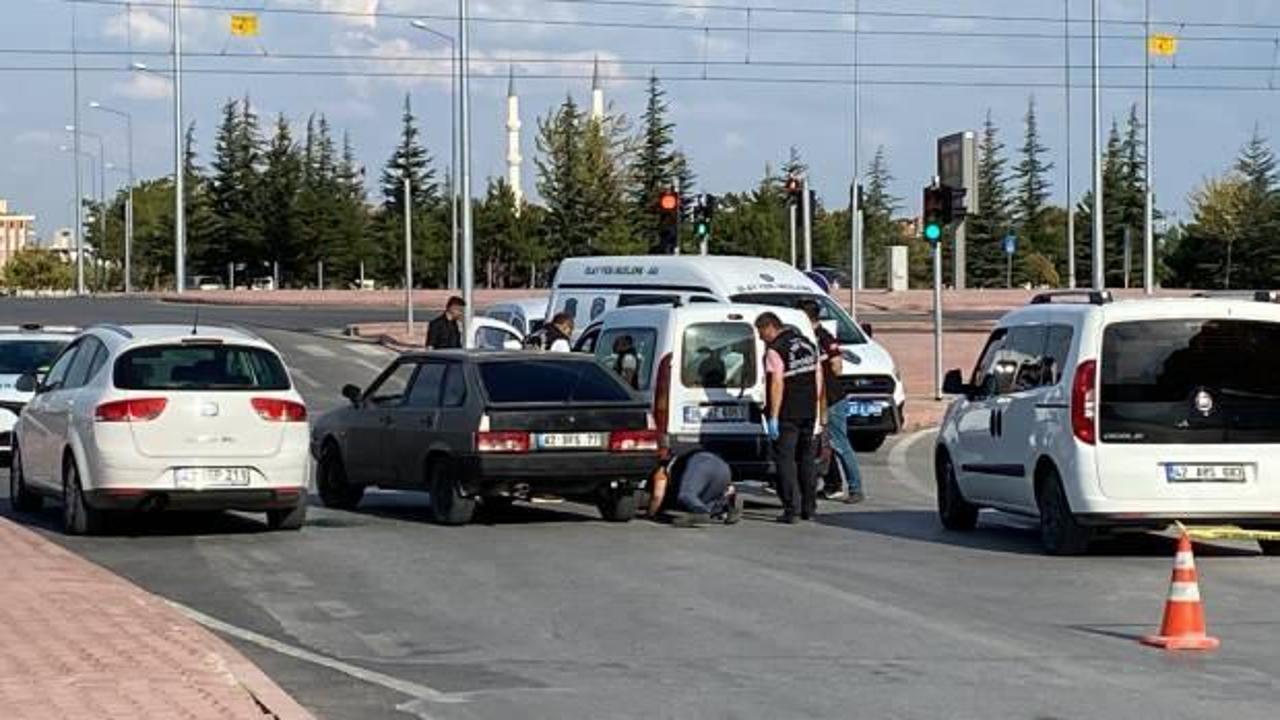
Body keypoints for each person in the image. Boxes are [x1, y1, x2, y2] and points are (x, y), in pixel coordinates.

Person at [755, 312, 825, 524]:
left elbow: (777, 383)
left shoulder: (775, 350)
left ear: (769, 327)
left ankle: (791, 509)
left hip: (787, 413)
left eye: (761, 333)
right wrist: (819, 410)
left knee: (785, 461)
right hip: (809, 411)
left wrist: (774, 416)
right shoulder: (807, 344)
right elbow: (818, 377)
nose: (760, 338)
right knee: (807, 460)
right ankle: (809, 508)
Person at [800, 300, 864, 504]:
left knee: (839, 443)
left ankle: (855, 488)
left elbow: (837, 367)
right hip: (819, 398)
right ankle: (832, 485)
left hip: (831, 398)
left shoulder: (822, 338)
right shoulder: (816, 337)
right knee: (825, 444)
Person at [647, 451, 744, 527]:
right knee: (706, 500)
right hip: (723, 466)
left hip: (700, 464)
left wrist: (651, 514)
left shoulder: (661, 469)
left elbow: (657, 495)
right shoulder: (680, 459)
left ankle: (701, 512)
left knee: (686, 494)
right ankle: (728, 503)